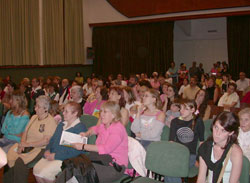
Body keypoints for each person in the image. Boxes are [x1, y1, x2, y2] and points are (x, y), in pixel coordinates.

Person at [4, 96, 57, 183]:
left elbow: (46, 141)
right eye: (36, 105)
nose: (35, 108)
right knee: (10, 155)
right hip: (27, 145)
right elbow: (25, 132)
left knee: (19, 162)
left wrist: (28, 144)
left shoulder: (50, 121)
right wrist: (22, 144)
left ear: (45, 109)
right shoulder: (34, 117)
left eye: (38, 106)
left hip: (40, 148)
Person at [72, 101, 128, 183]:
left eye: (105, 112)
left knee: (82, 174)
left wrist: (83, 146)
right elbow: (95, 129)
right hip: (100, 159)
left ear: (113, 115)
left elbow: (106, 149)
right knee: (74, 167)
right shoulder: (104, 124)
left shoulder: (117, 129)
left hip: (113, 166)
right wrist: (87, 133)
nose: (101, 114)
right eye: (101, 111)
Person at [33, 102, 87, 183]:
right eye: (63, 111)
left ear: (75, 113)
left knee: (45, 174)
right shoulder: (61, 124)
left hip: (65, 158)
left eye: (66, 111)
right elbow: (52, 140)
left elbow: (77, 151)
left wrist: (56, 156)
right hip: (52, 154)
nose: (63, 113)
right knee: (36, 170)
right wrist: (47, 150)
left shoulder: (80, 128)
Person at [197, 112, 242, 183]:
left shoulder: (235, 152)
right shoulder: (205, 147)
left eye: (223, 130)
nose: (217, 133)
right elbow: (201, 178)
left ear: (231, 133)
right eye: (216, 127)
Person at [166, 100, 204, 183]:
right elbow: (171, 141)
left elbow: (202, 142)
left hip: (190, 155)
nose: (181, 111)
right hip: (177, 153)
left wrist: (198, 159)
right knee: (169, 167)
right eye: (181, 108)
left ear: (192, 110)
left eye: (185, 109)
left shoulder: (198, 121)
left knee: (171, 170)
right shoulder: (175, 121)